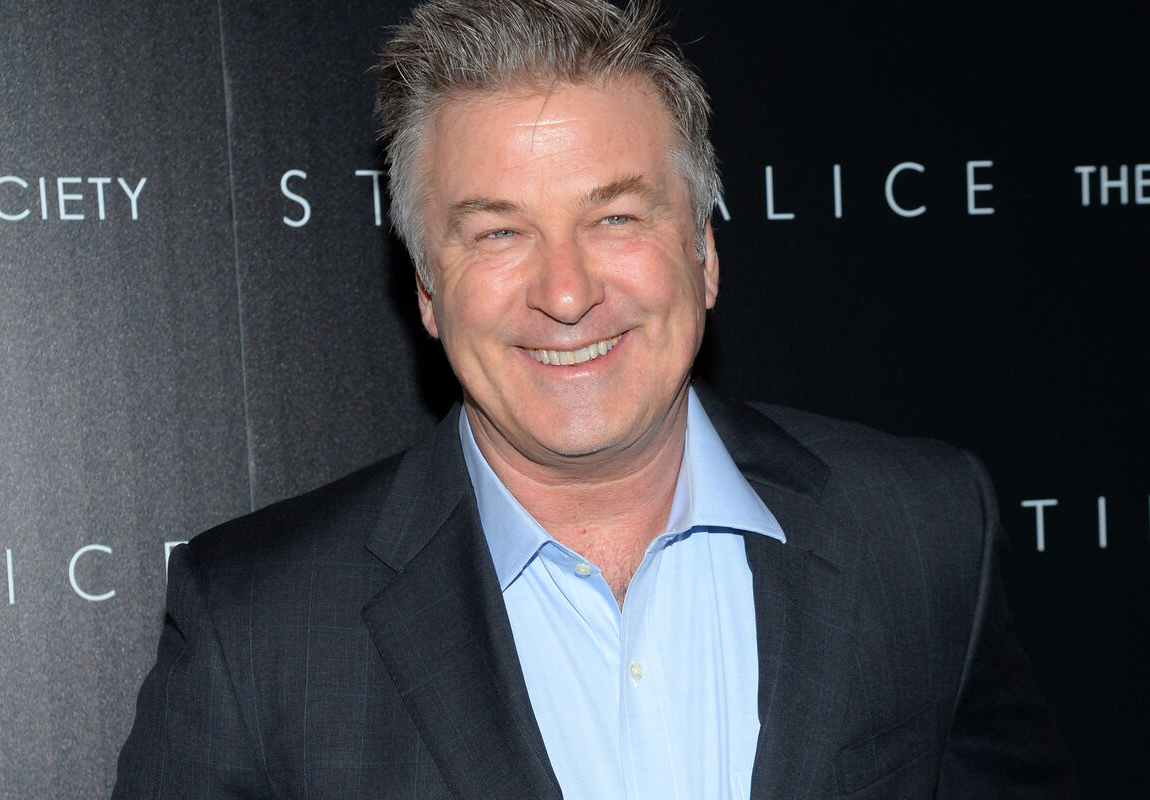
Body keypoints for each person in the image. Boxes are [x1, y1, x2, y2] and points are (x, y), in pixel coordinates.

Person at [112, 1, 1077, 797]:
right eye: (498, 233)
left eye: (614, 217)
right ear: (427, 292)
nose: (566, 293)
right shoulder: (258, 627)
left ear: (704, 253)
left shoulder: (917, 530)